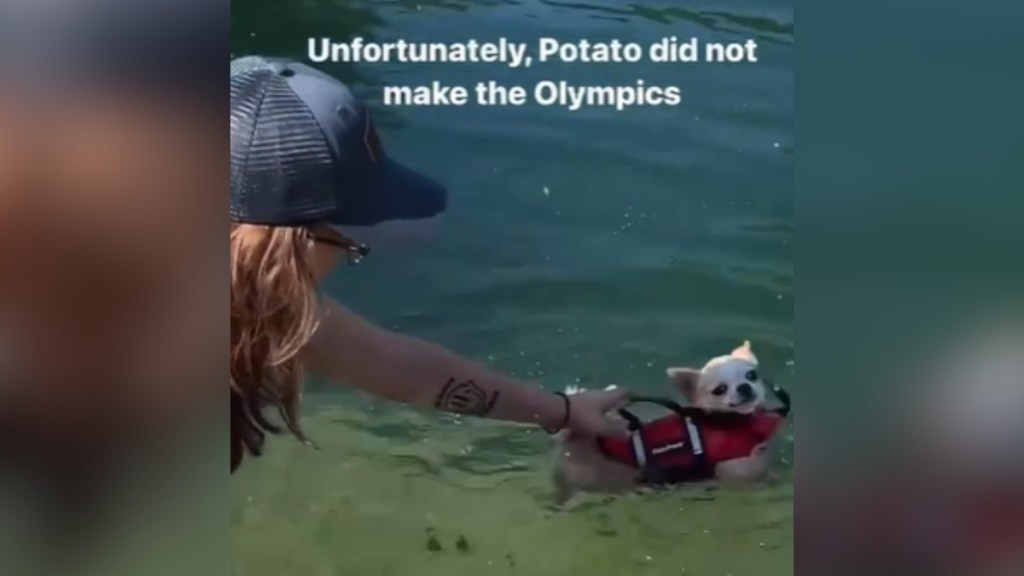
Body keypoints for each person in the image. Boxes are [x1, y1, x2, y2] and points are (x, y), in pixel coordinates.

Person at [229, 56, 631, 471]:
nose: (353, 249)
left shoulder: (255, 298)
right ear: (268, 243)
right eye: (346, 237)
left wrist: (561, 411)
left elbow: (398, 367)